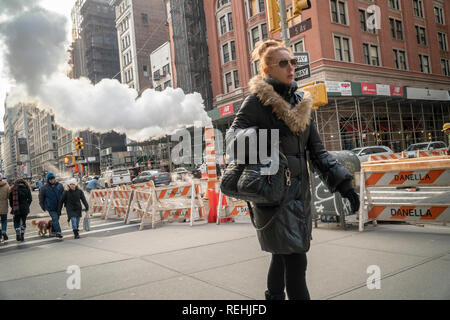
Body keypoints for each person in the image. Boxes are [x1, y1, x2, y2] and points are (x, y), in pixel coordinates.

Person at [226, 40, 360, 300]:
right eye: (284, 63)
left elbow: (319, 153)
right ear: (267, 70)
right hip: (273, 196)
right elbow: (232, 141)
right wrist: (266, 139)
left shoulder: (301, 103)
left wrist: (345, 186)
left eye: (293, 62)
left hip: (300, 197)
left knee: (282, 255)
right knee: (297, 263)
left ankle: (272, 296)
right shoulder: (256, 102)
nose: (291, 67)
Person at [39, 172, 64, 239]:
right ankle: (59, 232)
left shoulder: (59, 185)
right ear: (48, 180)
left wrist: (64, 203)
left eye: (53, 179)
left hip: (59, 206)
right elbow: (41, 198)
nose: (52, 180)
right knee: (55, 219)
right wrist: (43, 206)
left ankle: (53, 232)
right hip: (50, 207)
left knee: (55, 220)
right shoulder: (44, 188)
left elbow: (63, 195)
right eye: (50, 179)